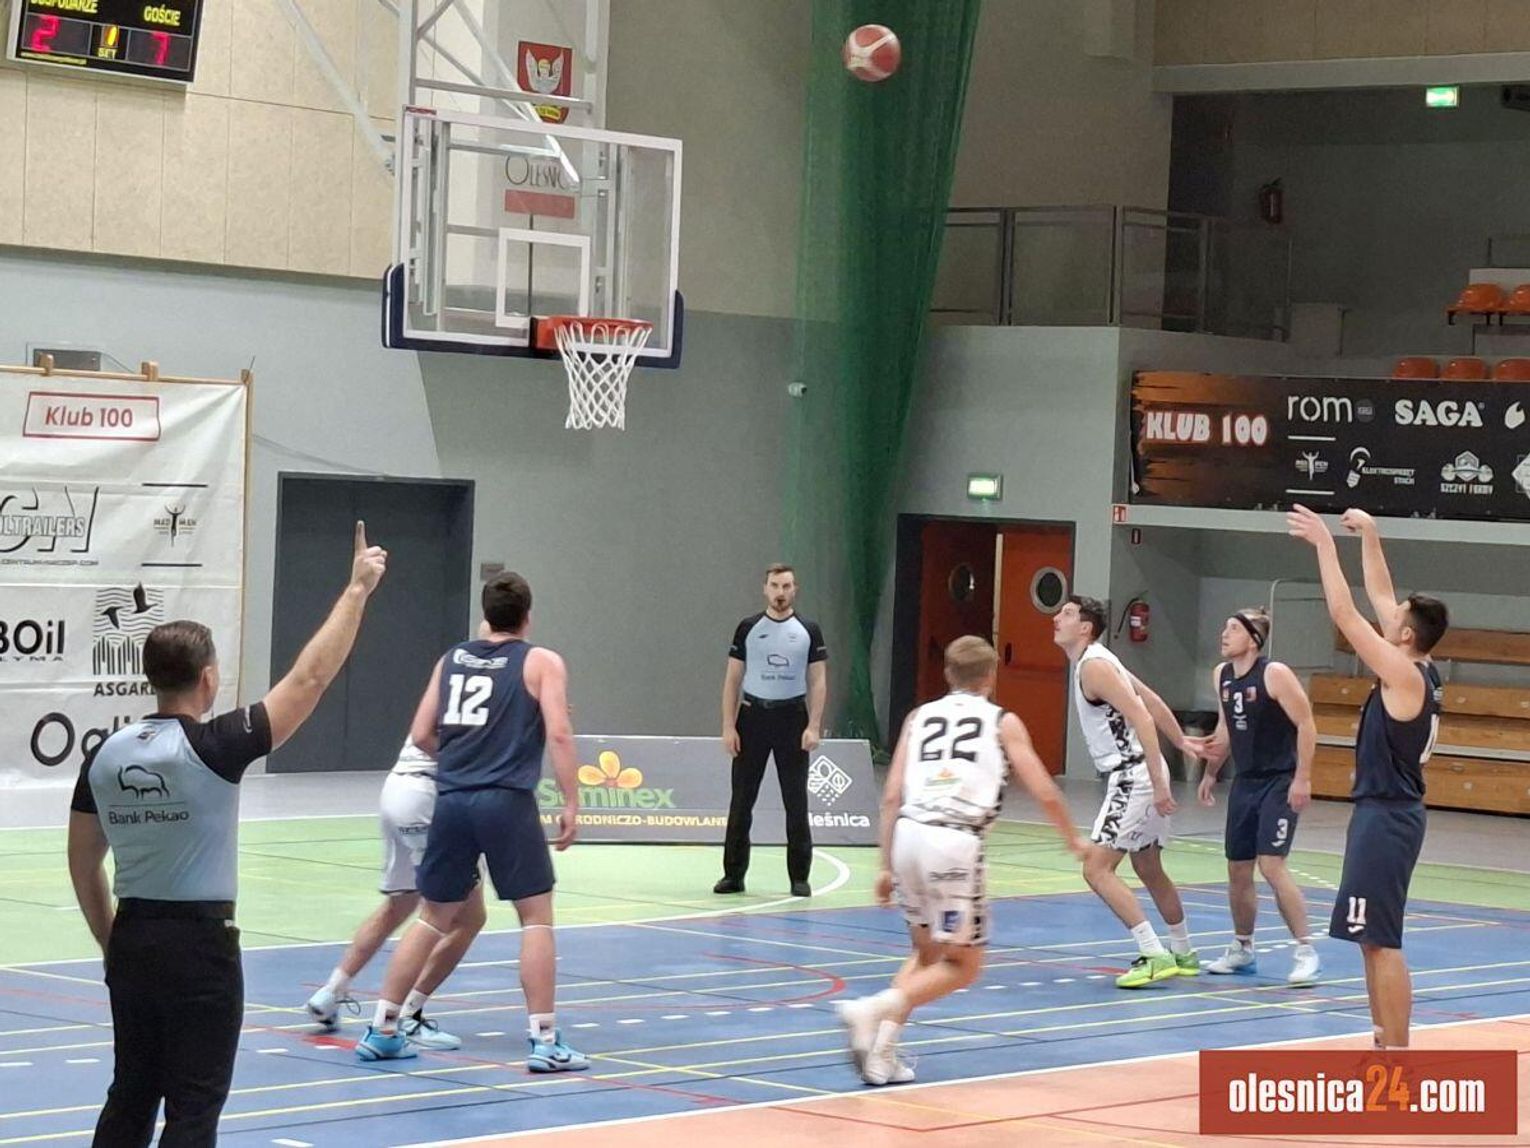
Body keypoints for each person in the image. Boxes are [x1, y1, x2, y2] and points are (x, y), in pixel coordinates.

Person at [67, 522, 387, 1147]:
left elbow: (83, 864)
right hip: (200, 949)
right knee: (193, 1108)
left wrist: (112, 942)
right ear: (208, 679)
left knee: (130, 1093)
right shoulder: (217, 747)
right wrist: (356, 591)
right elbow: (309, 679)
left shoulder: (104, 755)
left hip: (133, 940)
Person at [356, 572, 586, 1072]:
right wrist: (571, 801)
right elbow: (560, 734)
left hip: (453, 801)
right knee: (536, 917)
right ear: (528, 617)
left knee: (432, 916)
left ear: (486, 615)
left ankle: (382, 1027)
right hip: (506, 801)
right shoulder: (542, 661)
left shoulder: (451, 659)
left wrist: (464, 758)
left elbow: (422, 733)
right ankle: (545, 1040)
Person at [835, 637, 1085, 1085]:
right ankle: (870, 1009)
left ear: (947, 674)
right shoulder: (1002, 721)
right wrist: (1073, 839)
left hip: (908, 834)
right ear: (991, 676)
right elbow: (1045, 790)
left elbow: (891, 794)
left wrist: (885, 866)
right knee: (963, 965)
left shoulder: (918, 717)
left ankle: (882, 1054)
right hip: (953, 841)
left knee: (926, 953)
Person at [1287, 505, 1448, 1049]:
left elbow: (1345, 612)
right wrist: (1372, 535)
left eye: (1396, 616)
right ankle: (1383, 1042)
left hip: (1388, 817)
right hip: (1384, 813)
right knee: (1369, 938)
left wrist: (1325, 546)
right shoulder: (1415, 663)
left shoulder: (1404, 674)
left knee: (1382, 940)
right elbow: (1381, 593)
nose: (1388, 612)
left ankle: (1397, 1055)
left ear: (1405, 634)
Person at [303, 734, 486, 1051]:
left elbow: (423, 733)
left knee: (400, 903)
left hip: (397, 789)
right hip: (431, 797)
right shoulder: (502, 705)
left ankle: (331, 991)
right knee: (466, 918)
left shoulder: (440, 699)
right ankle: (408, 1014)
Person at [1052, 595, 1198, 988]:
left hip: (1134, 775)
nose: (1057, 618)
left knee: (1096, 869)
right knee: (1148, 867)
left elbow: (1141, 716)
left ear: (1085, 627)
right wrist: (1181, 741)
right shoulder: (1102, 659)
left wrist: (1160, 782)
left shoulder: (1095, 667)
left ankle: (1153, 953)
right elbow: (1152, 700)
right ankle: (1183, 951)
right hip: (1143, 771)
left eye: (1067, 613)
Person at [1189, 609, 1322, 985]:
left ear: (1253, 639)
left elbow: (1306, 724)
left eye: (1233, 629)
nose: (1224, 633)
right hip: (1245, 782)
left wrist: (1302, 778)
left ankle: (1306, 951)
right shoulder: (1222, 675)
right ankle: (1242, 948)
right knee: (1237, 868)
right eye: (1224, 627)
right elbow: (1226, 728)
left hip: (1278, 780)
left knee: (1272, 864)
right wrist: (1211, 772)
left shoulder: (1274, 674)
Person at [715, 563, 827, 898]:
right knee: (741, 801)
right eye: (775, 586)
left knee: (796, 801)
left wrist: (814, 725)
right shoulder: (748, 628)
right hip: (752, 719)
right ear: (765, 589)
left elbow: (818, 680)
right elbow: (732, 679)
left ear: (795, 589)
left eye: (786, 586)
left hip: (792, 719)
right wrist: (728, 726)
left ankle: (799, 877)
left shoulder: (808, 630)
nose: (780, 592)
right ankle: (733, 875)